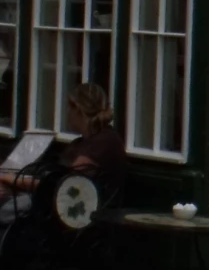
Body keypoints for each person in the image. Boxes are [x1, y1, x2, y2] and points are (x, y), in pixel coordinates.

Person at [0, 82, 127, 216]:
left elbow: (63, 185)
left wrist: (9, 179)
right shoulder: (81, 142)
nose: (67, 113)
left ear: (78, 109)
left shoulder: (103, 142)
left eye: (69, 107)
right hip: (56, 205)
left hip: (77, 212)